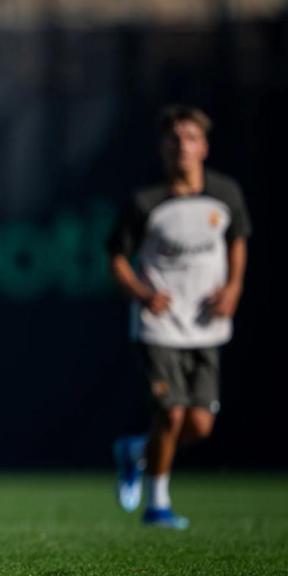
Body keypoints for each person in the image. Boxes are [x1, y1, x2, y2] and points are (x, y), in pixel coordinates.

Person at [108, 105, 251, 530]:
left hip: (207, 324)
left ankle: (137, 450)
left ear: (204, 146)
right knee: (170, 415)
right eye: (174, 138)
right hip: (160, 326)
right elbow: (115, 256)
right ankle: (157, 505)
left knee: (200, 425)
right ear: (163, 147)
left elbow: (238, 241)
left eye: (190, 138)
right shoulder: (145, 202)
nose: (182, 146)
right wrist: (141, 293)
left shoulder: (225, 194)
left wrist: (234, 288)